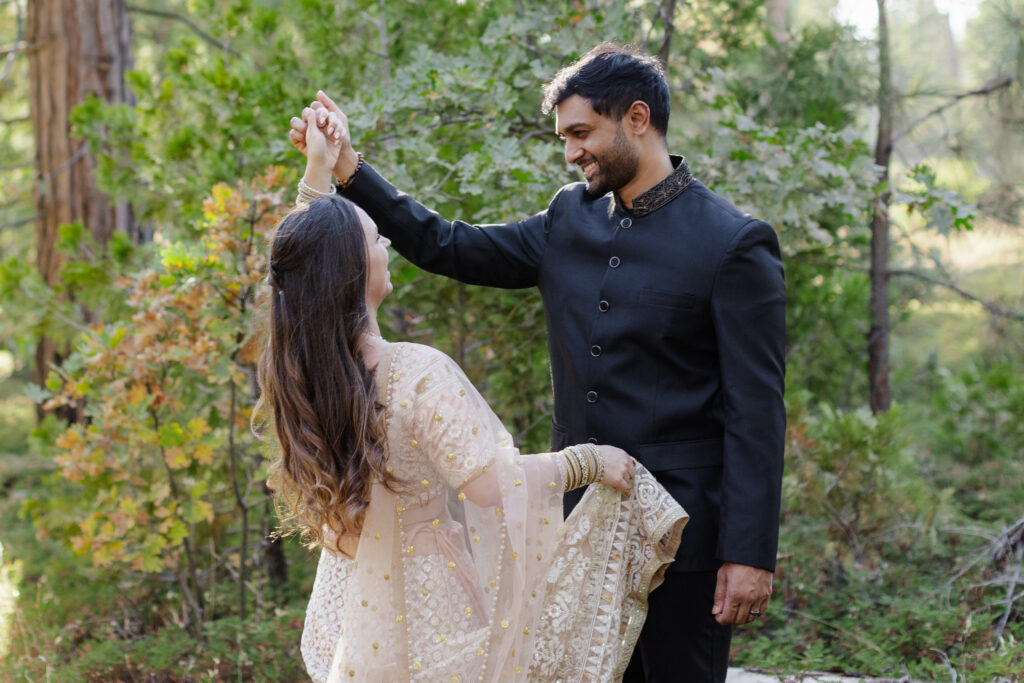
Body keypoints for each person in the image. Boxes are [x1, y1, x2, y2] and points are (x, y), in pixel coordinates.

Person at [290, 42, 786, 682]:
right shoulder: (566, 217)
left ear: (638, 118)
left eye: (582, 133)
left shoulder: (734, 242)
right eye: (564, 137)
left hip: (684, 536)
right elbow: (448, 246)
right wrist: (351, 171)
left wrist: (749, 555)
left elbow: (756, 411)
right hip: (573, 523)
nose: (571, 152)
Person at [259, 105, 688, 683]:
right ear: (353, 267)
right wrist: (588, 461)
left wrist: (321, 166)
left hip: (357, 603)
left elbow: (302, 261)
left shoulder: (303, 372)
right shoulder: (415, 373)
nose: (384, 238)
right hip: (430, 601)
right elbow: (489, 484)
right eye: (374, 236)